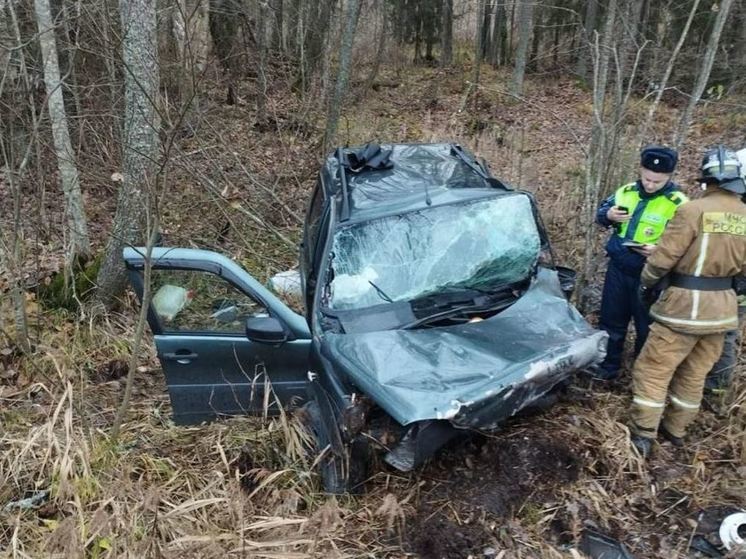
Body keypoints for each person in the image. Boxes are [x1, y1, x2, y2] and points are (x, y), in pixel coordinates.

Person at [628, 145, 746, 457]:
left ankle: (643, 434)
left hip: (683, 308)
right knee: (694, 373)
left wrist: (646, 285)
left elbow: (662, 260)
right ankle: (676, 430)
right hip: (722, 312)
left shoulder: (692, 211)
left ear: (707, 181)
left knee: (653, 370)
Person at [591, 146, 688, 380]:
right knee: (611, 320)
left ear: (669, 177)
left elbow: (688, 242)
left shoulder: (679, 203)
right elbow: (601, 212)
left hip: (651, 273)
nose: (650, 184)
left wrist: (660, 250)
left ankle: (642, 375)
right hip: (618, 267)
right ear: (640, 170)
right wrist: (609, 216)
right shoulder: (626, 191)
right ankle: (607, 368)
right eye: (647, 178)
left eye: (657, 181)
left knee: (647, 326)